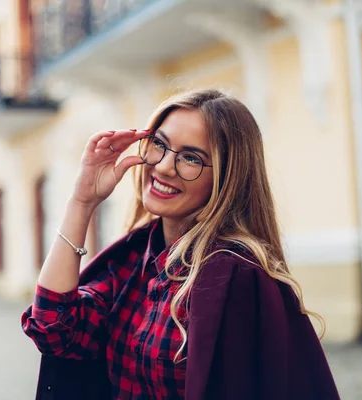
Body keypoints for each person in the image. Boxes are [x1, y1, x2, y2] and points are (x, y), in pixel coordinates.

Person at [21, 89, 340, 400]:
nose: (162, 167)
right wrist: (82, 201)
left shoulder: (236, 278)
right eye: (159, 144)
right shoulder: (135, 258)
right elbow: (53, 329)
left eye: (191, 158)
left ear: (226, 177)